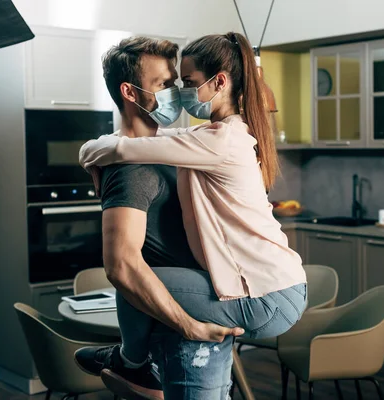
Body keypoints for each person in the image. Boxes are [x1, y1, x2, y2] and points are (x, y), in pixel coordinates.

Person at [77, 32, 307, 400]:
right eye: (169, 84)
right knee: (131, 277)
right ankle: (133, 364)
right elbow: (144, 142)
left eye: (185, 83)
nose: (178, 95)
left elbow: (126, 146)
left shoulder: (217, 141)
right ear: (131, 92)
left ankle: (130, 362)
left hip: (268, 293)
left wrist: (88, 152)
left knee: (133, 282)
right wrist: (93, 151)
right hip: (269, 287)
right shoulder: (206, 138)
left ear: (219, 83)